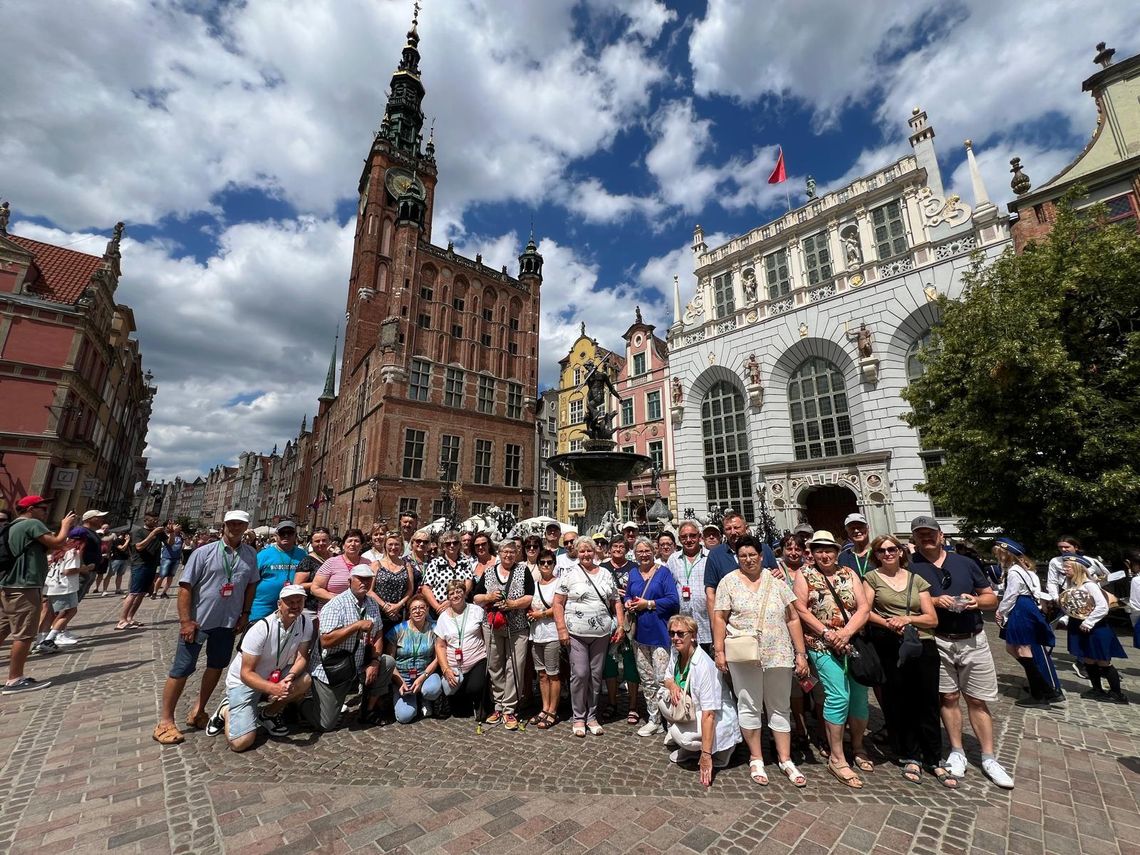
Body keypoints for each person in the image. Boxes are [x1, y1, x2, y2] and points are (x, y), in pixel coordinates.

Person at [908, 516, 1014, 789]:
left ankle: (989, 757)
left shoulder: (965, 563)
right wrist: (933, 600)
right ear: (915, 539)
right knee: (948, 696)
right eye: (920, 535)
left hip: (973, 638)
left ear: (941, 535)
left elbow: (990, 598)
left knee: (977, 700)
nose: (926, 538)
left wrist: (974, 601)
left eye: (930, 533)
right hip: (938, 639)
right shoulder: (910, 566)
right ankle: (957, 750)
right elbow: (904, 600)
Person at [153, 510, 258, 745]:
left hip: (228, 622)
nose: (236, 527)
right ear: (224, 525)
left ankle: (198, 711)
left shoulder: (250, 555)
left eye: (240, 524)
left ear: (246, 527)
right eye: (232, 523)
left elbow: (251, 585)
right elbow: (185, 588)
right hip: (199, 622)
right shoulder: (203, 553)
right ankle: (165, 721)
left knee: (216, 666)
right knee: (182, 669)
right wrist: (185, 621)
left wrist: (245, 613)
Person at [713, 534, 810, 788]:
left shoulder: (776, 581)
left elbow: (792, 618)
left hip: (778, 652)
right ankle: (756, 756)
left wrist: (800, 653)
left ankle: (785, 758)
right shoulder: (728, 582)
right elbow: (720, 618)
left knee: (779, 706)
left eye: (752, 555)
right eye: (743, 556)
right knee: (749, 704)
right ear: (737, 558)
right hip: (744, 656)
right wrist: (719, 650)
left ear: (761, 555)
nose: (748, 560)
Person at [863, 533, 953, 788]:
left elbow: (932, 619)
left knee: (927, 700)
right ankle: (910, 754)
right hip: (890, 646)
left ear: (901, 551)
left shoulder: (917, 579)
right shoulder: (871, 578)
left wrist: (908, 619)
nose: (888, 554)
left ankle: (934, 757)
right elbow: (865, 610)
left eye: (892, 549)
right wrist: (890, 623)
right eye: (882, 551)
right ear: (876, 555)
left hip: (922, 645)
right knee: (898, 700)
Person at [793, 530, 871, 788]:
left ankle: (858, 746)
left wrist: (846, 633)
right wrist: (827, 633)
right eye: (819, 550)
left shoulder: (849, 573)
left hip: (851, 643)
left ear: (837, 552)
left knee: (859, 695)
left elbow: (863, 608)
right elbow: (801, 609)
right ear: (812, 553)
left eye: (829, 550)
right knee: (838, 695)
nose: (824, 555)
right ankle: (837, 757)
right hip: (821, 645)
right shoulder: (804, 574)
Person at [208, 584, 313, 751]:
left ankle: (268, 714)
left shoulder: (305, 621)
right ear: (279, 604)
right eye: (289, 602)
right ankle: (226, 709)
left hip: (275, 675)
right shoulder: (261, 628)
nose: (295, 605)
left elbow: (301, 658)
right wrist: (274, 688)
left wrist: (290, 677)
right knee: (241, 743)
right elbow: (245, 673)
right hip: (245, 682)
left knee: (305, 679)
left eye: (299, 601)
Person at [304, 564, 395, 730]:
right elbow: (326, 640)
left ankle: (367, 710)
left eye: (368, 580)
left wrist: (374, 661)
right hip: (334, 667)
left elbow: (378, 633)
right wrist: (356, 626)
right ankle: (303, 702)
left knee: (386, 662)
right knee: (326, 724)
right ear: (349, 581)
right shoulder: (335, 605)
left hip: (358, 664)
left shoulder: (372, 603)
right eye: (360, 579)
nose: (364, 583)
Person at [0, 496, 76, 694]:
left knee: (3, 628)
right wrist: (65, 525)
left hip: (9, 584)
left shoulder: (14, 526)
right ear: (31, 509)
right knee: (25, 634)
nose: (46, 511)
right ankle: (15, 679)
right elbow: (58, 543)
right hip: (24, 585)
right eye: (43, 508)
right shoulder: (31, 523)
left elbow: (48, 546)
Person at [554, 536, 626, 738]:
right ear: (576, 552)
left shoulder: (605, 573)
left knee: (595, 675)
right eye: (582, 551)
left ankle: (592, 716)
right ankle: (578, 716)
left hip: (601, 633)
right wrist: (561, 629)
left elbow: (616, 601)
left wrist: (620, 625)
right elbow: (558, 603)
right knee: (580, 673)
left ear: (595, 552)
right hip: (576, 632)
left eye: (589, 550)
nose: (586, 554)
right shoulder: (569, 574)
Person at [660, 614, 740, 785]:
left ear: (693, 636)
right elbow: (666, 679)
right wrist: (673, 686)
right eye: (672, 633)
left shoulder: (703, 665)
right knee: (662, 697)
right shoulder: (676, 653)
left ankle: (720, 751)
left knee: (681, 735)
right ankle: (692, 746)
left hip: (716, 716)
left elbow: (709, 714)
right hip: (693, 709)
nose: (675, 638)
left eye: (681, 634)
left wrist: (706, 755)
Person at [472, 539, 533, 730]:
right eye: (505, 552)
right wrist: (489, 597)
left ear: (516, 554)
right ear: (499, 553)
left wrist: (514, 604)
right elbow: (476, 597)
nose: (508, 555)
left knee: (515, 666)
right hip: (492, 625)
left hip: (517, 626)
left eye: (512, 552)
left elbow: (530, 596)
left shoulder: (524, 571)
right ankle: (497, 705)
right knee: (495, 665)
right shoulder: (489, 572)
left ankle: (509, 708)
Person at [993, 537, 1063, 706]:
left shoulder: (1015, 571)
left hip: (1021, 607)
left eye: (999, 554)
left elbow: (1011, 594)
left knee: (1023, 649)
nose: (998, 557)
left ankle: (1041, 693)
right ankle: (1043, 687)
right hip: (1027, 606)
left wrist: (1001, 611)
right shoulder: (1024, 570)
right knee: (1012, 647)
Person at [626, 536, 680, 737]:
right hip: (639, 635)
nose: (643, 554)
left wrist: (648, 604)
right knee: (647, 680)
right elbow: (628, 595)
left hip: (659, 633)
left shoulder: (663, 573)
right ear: (635, 554)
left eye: (647, 550)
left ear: (653, 551)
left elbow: (673, 600)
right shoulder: (633, 573)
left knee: (662, 679)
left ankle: (670, 722)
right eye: (639, 551)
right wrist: (628, 602)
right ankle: (653, 719)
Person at [1058, 556, 1128, 703]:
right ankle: (1097, 690)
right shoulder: (1073, 585)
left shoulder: (1090, 585)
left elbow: (1102, 606)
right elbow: (1072, 607)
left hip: (1095, 627)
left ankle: (1117, 694)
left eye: (1067, 567)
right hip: (1080, 626)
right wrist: (1065, 619)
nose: (1064, 569)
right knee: (1088, 659)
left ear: (1077, 568)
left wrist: (1089, 622)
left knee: (1103, 661)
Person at [703, 511, 776, 636]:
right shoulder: (715, 555)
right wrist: (716, 627)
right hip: (733, 625)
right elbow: (711, 594)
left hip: (765, 622)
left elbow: (775, 577)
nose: (733, 532)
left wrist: (777, 573)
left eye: (736, 527)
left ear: (746, 528)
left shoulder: (764, 550)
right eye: (728, 529)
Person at [1046, 535, 1109, 679]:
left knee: (1088, 632)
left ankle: (1088, 663)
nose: (1063, 549)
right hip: (1066, 599)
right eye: (1060, 547)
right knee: (1053, 627)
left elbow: (1107, 576)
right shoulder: (1055, 561)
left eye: (1067, 547)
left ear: (1076, 547)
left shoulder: (1091, 561)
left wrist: (1094, 586)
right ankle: (1048, 657)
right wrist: (1057, 598)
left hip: (1088, 601)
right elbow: (1051, 581)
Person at [433, 579, 489, 718]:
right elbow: (440, 645)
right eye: (451, 593)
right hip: (454, 665)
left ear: (465, 593)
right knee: (459, 711)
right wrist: (445, 669)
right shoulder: (443, 617)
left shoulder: (477, 610)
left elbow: (485, 635)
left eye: (459, 592)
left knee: (474, 688)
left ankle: (480, 700)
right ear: (448, 597)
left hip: (476, 659)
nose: (455, 595)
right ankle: (460, 698)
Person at [384, 594, 443, 722]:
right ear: (409, 612)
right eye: (414, 608)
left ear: (427, 609)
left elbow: (438, 658)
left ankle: (424, 698)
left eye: (422, 607)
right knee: (404, 717)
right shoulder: (397, 630)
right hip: (402, 678)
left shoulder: (434, 629)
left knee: (432, 689)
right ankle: (410, 698)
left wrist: (422, 678)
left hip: (425, 674)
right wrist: (401, 682)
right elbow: (390, 661)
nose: (418, 611)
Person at [33, 527, 92, 653]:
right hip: (64, 586)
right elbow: (68, 571)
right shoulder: (74, 551)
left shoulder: (58, 549)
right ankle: (49, 639)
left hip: (51, 584)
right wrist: (84, 569)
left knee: (49, 613)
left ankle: (40, 640)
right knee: (69, 611)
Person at [600, 535, 639, 722]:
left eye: (621, 546)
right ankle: (611, 702)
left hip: (630, 619)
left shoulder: (633, 568)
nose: (617, 549)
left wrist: (629, 593)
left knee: (630, 661)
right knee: (610, 663)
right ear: (609, 549)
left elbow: (641, 588)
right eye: (614, 546)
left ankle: (632, 705)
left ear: (626, 549)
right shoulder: (603, 568)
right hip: (608, 618)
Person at [527, 548, 561, 729]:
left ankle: (553, 711)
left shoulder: (558, 583)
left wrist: (541, 614)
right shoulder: (534, 584)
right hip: (536, 634)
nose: (546, 565)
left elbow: (559, 607)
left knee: (553, 673)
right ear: (538, 565)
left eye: (549, 562)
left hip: (552, 634)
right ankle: (544, 707)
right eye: (542, 563)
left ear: (554, 564)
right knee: (541, 674)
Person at [249, 521, 307, 622]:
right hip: (262, 611)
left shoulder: (303, 555)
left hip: (292, 612)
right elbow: (250, 583)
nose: (286, 536)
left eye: (289, 533)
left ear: (295, 535)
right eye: (282, 533)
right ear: (276, 535)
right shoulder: (263, 555)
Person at [668, 521, 711, 654]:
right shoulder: (673, 559)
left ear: (700, 537)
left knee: (707, 667)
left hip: (706, 625)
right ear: (679, 540)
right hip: (683, 626)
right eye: (684, 537)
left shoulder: (710, 557)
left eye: (692, 536)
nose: (688, 540)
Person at [117, 511, 166, 630]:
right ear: (146, 520)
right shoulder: (138, 532)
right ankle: (122, 620)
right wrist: (152, 534)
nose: (155, 522)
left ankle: (130, 618)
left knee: (142, 593)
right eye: (153, 520)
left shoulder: (159, 533)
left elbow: (170, 543)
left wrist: (172, 533)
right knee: (133, 592)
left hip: (152, 565)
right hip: (140, 564)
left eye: (156, 520)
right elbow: (139, 546)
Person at [311, 528, 366, 610]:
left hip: (359, 611)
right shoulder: (331, 562)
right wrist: (339, 600)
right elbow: (315, 588)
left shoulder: (367, 564)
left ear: (361, 545)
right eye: (349, 541)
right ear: (343, 545)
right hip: (333, 610)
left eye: (357, 541)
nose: (353, 544)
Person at [371, 532, 415, 634]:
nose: (393, 547)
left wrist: (398, 606)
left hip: (399, 614)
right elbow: (369, 591)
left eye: (397, 544)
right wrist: (386, 607)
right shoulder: (376, 565)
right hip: (378, 612)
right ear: (385, 545)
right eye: (390, 544)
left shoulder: (407, 566)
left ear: (401, 547)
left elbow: (410, 589)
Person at [421, 531, 473, 615]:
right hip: (439, 609)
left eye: (455, 543)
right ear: (443, 547)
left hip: (460, 608)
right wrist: (438, 607)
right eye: (448, 544)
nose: (452, 545)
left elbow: (468, 583)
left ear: (459, 545)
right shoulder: (435, 563)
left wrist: (453, 601)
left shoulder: (465, 562)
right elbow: (426, 588)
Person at [76, 509, 108, 602]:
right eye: (98, 518)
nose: (101, 519)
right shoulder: (81, 531)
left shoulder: (94, 533)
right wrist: (82, 566)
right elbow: (77, 549)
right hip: (82, 571)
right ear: (89, 519)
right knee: (71, 604)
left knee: (78, 600)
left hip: (91, 570)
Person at [153, 522, 183, 599]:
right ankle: (155, 592)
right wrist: (172, 531)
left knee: (170, 576)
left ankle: (164, 592)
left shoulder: (181, 536)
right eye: (177, 525)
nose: (179, 526)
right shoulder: (166, 534)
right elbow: (169, 543)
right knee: (161, 576)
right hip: (167, 558)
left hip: (176, 558)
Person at [838, 513, 872, 578]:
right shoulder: (843, 557)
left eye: (860, 527)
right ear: (847, 531)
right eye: (852, 528)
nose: (856, 530)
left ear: (867, 528)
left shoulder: (879, 552)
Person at [102, 530, 131, 596]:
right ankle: (104, 590)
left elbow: (128, 549)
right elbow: (122, 548)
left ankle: (118, 589)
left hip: (124, 559)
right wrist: (127, 541)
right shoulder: (117, 540)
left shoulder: (126, 541)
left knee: (120, 574)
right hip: (116, 559)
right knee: (110, 574)